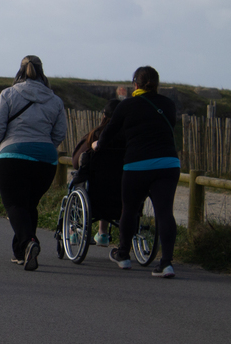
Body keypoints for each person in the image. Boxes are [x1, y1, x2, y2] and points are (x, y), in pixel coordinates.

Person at [93, 67, 181, 278]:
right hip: (168, 163)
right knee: (165, 212)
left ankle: (123, 255)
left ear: (135, 84)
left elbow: (110, 131)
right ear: (157, 84)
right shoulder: (168, 104)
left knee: (130, 210)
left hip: (138, 164)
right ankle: (166, 263)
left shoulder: (127, 105)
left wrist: (98, 146)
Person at [0, 55, 67, 271]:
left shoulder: (8, 94)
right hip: (46, 160)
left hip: (13, 155)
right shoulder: (55, 100)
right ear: (42, 71)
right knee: (29, 205)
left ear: (20, 71)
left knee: (14, 205)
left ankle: (29, 242)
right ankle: (20, 252)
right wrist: (44, 145)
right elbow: (60, 132)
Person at [70, 99, 124, 246]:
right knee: (111, 184)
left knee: (79, 182)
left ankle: (74, 230)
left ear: (104, 116)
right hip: (120, 195)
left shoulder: (96, 135)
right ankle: (102, 233)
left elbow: (76, 162)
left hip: (95, 193)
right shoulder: (129, 139)